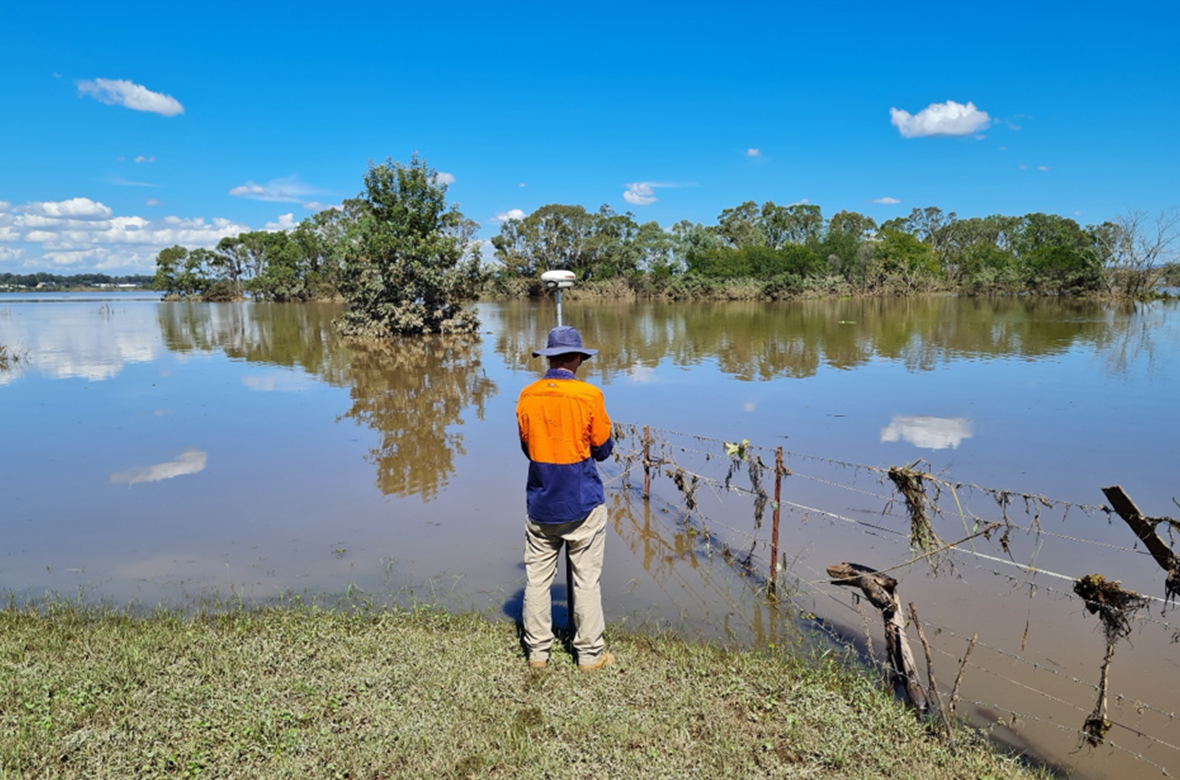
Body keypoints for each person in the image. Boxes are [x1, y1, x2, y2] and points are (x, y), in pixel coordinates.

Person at [515, 325, 615, 671]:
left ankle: (538, 654)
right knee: (586, 580)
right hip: (582, 504)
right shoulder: (589, 397)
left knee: (538, 580)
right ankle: (589, 655)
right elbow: (602, 451)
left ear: (549, 358)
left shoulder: (527, 396)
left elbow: (528, 448)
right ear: (576, 359)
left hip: (542, 502)